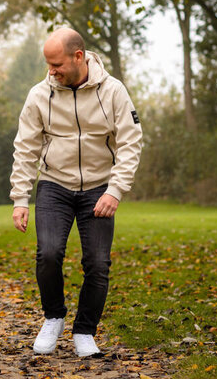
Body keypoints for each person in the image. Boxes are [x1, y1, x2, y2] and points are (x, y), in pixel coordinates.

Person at [10, 28, 142, 358]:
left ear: (78, 57)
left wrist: (115, 190)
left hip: (99, 188)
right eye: (48, 64)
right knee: (49, 254)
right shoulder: (40, 95)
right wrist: (19, 198)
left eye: (56, 64)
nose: (51, 71)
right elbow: (25, 148)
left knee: (97, 263)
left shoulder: (113, 91)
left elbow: (130, 142)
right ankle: (53, 316)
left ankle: (85, 331)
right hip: (54, 185)